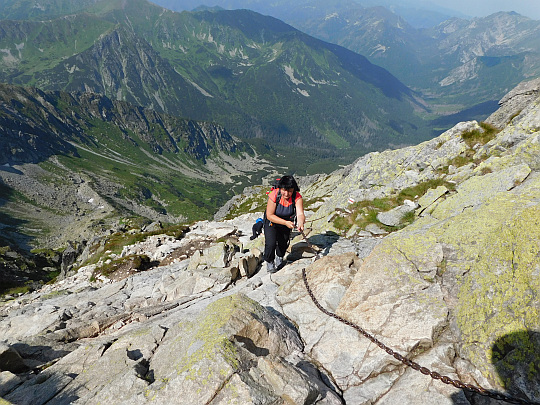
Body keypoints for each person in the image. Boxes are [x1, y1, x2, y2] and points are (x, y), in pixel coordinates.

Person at [263, 175, 305, 272]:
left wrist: (301, 223)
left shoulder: (297, 197)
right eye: (284, 190)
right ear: (280, 188)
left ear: (293, 190)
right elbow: (269, 215)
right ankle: (269, 261)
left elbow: (300, 213)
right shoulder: (274, 195)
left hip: (287, 222)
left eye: (290, 191)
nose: (286, 194)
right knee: (270, 243)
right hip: (272, 222)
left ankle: (279, 257)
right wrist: (285, 222)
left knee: (283, 242)